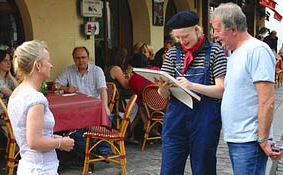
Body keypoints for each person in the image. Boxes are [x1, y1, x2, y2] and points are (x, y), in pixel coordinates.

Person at [211, 3, 282, 175]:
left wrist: (263, 139)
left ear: (233, 29)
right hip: (238, 138)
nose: (214, 35)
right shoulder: (237, 53)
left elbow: (267, 100)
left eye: (217, 30)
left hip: (249, 140)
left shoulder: (257, 50)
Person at [153, 10, 227, 175]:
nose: (181, 41)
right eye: (177, 37)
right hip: (175, 120)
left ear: (196, 29)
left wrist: (192, 86)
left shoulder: (215, 52)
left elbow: (221, 91)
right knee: (169, 169)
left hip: (204, 120)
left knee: (203, 169)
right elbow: (164, 95)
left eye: (185, 36)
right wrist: (163, 88)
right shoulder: (173, 53)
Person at [7, 40, 74, 174]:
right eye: (48, 61)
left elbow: (29, 134)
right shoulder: (35, 98)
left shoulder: (17, 93)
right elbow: (34, 142)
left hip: (28, 166)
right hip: (41, 168)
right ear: (37, 65)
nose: (51, 65)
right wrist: (61, 144)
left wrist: (55, 138)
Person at [55, 46, 110, 157]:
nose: (81, 61)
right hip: (76, 110)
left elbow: (103, 90)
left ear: (88, 57)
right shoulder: (69, 70)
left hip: (94, 109)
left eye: (83, 57)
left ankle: (103, 152)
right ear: (73, 59)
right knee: (72, 124)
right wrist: (66, 88)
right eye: (78, 58)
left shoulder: (97, 70)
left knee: (107, 118)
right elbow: (56, 85)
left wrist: (105, 107)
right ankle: (84, 152)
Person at [0, 48, 18, 114]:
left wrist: (11, 76)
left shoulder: (8, 79)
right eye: (5, 60)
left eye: (9, 60)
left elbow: (19, 89)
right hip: (3, 116)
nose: (9, 63)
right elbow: (14, 95)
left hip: (10, 113)